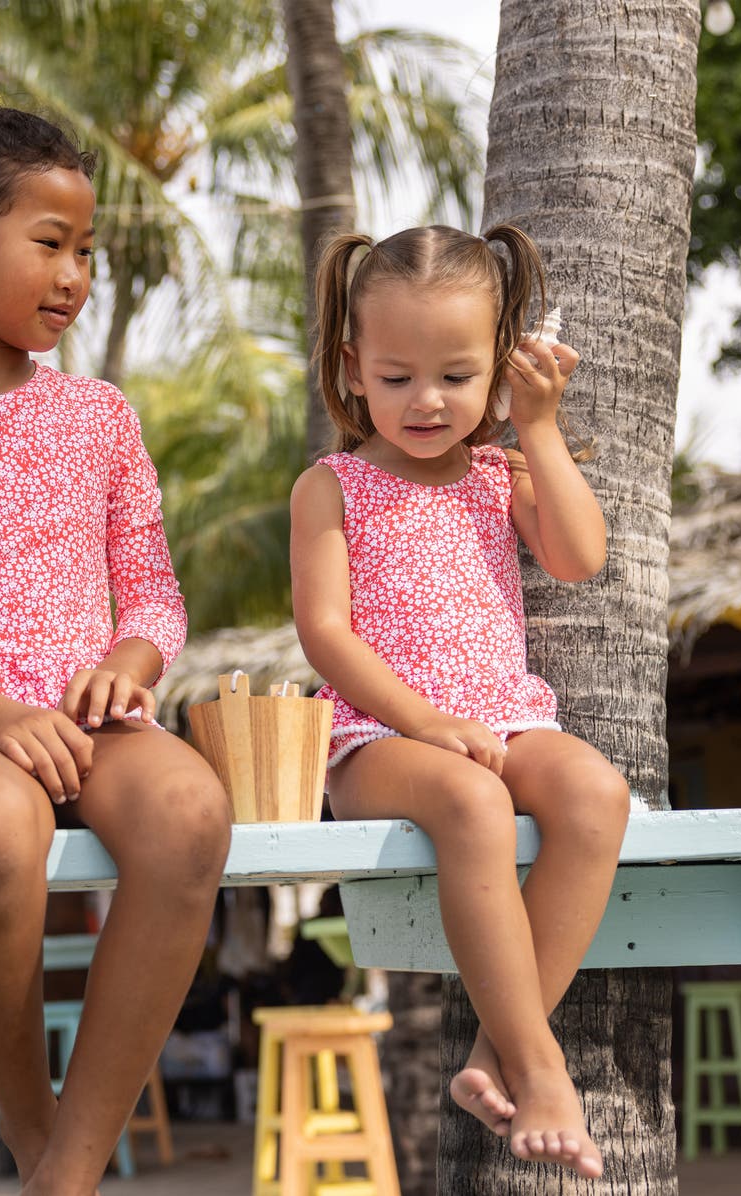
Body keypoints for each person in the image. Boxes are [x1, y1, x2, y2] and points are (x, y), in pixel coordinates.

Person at [290, 224, 631, 1179]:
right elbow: (326, 634)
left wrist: (540, 428)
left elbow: (579, 557)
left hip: (506, 715)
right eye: (396, 377)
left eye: (456, 375)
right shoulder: (331, 487)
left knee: (597, 794)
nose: (427, 401)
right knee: (475, 802)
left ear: (498, 368)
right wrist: (425, 722)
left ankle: (493, 1052)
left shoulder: (499, 473)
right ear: (353, 368)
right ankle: (541, 1067)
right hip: (377, 737)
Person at [0, 107, 231, 1196]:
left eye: (86, 250)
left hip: (93, 721)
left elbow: (155, 594)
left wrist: (129, 661)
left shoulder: (101, 416)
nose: (75, 275)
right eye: (50, 242)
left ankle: (66, 1174)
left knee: (190, 812)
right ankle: (31, 1128)